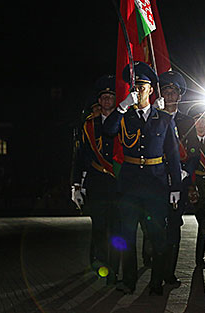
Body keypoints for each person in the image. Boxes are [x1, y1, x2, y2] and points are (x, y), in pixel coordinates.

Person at [107, 61, 182, 296]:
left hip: (156, 185)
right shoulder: (125, 116)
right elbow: (107, 131)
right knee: (127, 236)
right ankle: (128, 281)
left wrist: (175, 187)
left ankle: (156, 282)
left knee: (158, 236)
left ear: (151, 90)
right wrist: (120, 107)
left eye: (142, 87)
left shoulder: (164, 119)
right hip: (129, 186)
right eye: (134, 87)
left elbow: (172, 155)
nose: (137, 91)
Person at [71, 74, 119, 284]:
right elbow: (80, 156)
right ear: (99, 101)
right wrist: (76, 184)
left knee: (116, 230)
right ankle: (101, 265)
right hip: (97, 182)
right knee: (99, 228)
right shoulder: (89, 125)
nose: (107, 100)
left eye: (111, 97)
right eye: (104, 97)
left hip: (118, 184)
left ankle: (114, 270)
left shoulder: (123, 122)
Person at [159, 70, 199, 287]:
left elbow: (194, 152)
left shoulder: (187, 121)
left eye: (173, 91)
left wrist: (185, 172)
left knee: (174, 226)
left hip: (179, 181)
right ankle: (156, 264)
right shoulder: (154, 117)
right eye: (165, 90)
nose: (169, 95)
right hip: (156, 179)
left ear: (180, 96)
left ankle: (169, 272)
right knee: (156, 225)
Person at [186, 103, 205, 270]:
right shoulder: (186, 139)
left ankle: (199, 257)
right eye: (197, 120)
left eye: (203, 120)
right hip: (189, 182)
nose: (201, 123)